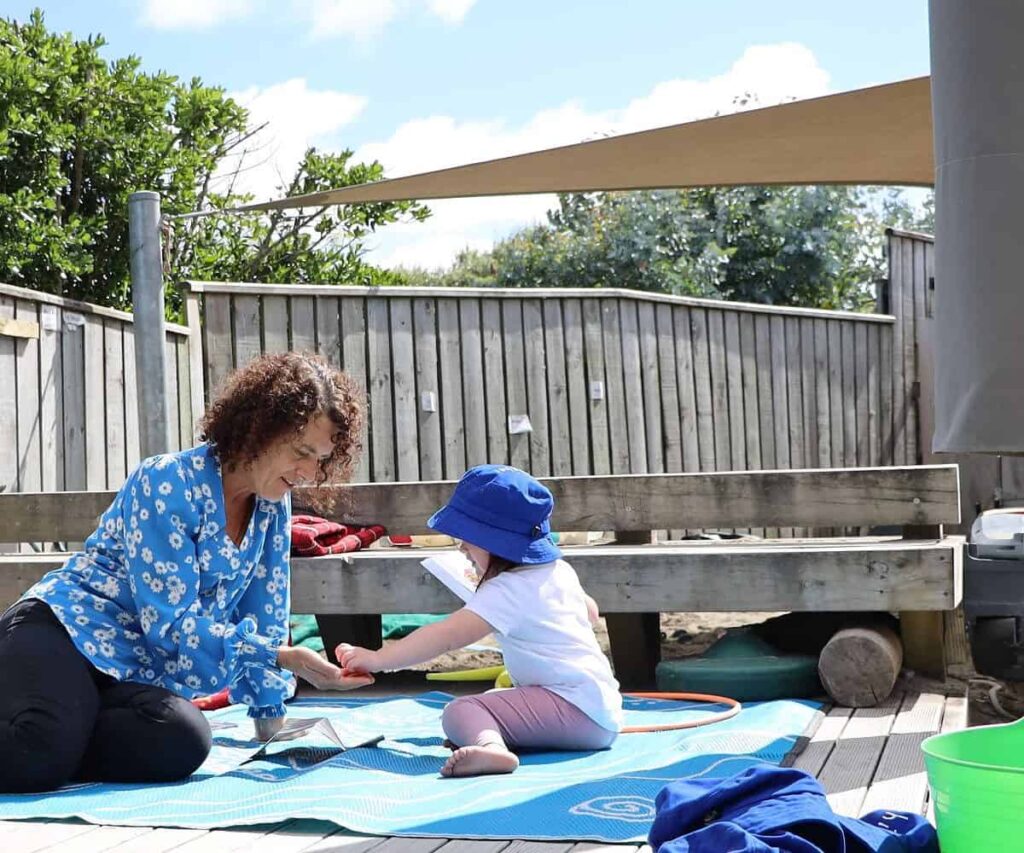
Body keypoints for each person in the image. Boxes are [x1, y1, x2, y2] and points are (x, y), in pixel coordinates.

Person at [0, 352, 371, 793]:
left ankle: (61, 738)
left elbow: (267, 609)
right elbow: (169, 626)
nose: (310, 473)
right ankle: (52, 741)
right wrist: (281, 657)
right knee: (40, 751)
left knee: (183, 739)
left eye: (321, 459)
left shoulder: (273, 504)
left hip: (129, 672)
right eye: (301, 453)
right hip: (61, 633)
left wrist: (271, 723)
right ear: (259, 430)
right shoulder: (167, 481)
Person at [338, 464, 623, 777]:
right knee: (491, 703)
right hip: (601, 706)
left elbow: (446, 636)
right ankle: (488, 738)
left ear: (495, 542)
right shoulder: (558, 571)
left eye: (467, 540)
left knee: (461, 710)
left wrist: (379, 659)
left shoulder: (506, 589)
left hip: (574, 710)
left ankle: (491, 749)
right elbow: (591, 612)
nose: (462, 548)